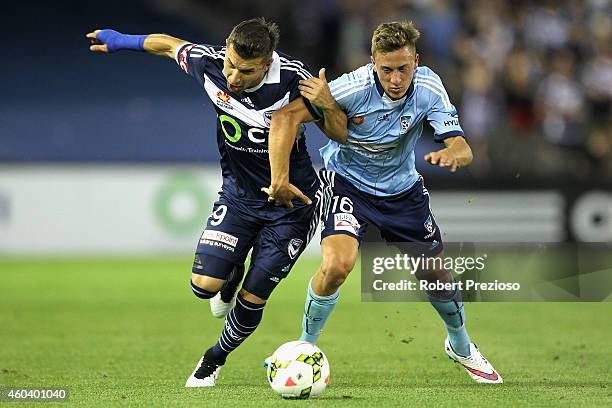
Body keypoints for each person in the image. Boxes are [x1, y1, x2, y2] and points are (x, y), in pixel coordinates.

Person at [87, 17, 347, 387]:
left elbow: (339, 132)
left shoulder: (296, 80)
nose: (234, 77)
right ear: (226, 47)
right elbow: (166, 44)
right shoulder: (209, 62)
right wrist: (120, 40)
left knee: (254, 295)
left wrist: (329, 105)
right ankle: (229, 275)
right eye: (231, 64)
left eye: (246, 71)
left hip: (293, 202)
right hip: (239, 195)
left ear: (268, 61)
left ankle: (214, 358)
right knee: (203, 286)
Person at [265, 21, 502, 383]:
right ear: (373, 62)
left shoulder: (428, 87)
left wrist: (452, 154)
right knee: (337, 266)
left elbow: (462, 146)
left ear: (416, 62)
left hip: (402, 191)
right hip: (347, 186)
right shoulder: (352, 87)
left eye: (403, 69)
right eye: (386, 69)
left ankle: (461, 345)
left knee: (436, 276)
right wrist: (280, 173)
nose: (395, 79)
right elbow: (288, 117)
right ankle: (303, 347)